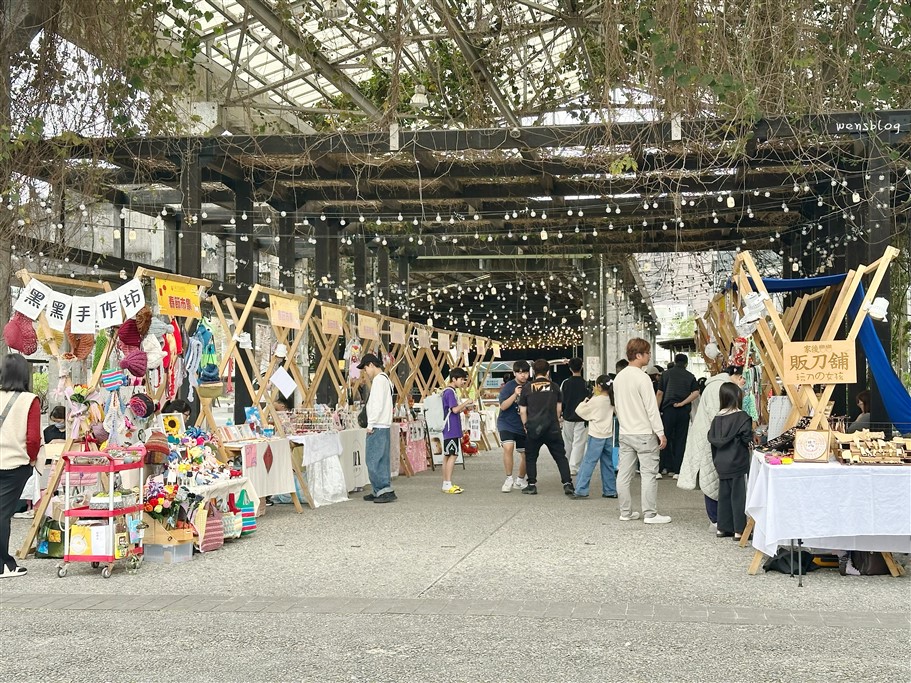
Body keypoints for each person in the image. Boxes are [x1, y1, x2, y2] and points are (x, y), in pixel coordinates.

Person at [678, 366, 744, 529]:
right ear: (733, 375)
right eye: (742, 377)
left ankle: (718, 519)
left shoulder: (718, 385)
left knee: (712, 476)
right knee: (711, 477)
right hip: (714, 437)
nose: (743, 381)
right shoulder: (719, 387)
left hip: (713, 435)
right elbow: (720, 416)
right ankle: (715, 520)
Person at [613, 339, 670, 524]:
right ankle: (650, 514)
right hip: (644, 433)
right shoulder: (642, 377)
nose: (649, 356)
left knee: (624, 474)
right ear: (638, 355)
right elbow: (651, 408)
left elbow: (617, 407)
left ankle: (625, 512)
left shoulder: (619, 377)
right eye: (647, 353)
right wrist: (660, 432)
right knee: (648, 474)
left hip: (625, 432)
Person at [0, 354, 41, 577]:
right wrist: (32, 458)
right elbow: (33, 438)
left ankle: (7, 562)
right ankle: (3, 565)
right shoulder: (29, 401)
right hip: (14, 465)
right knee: (3, 515)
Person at [518, 359, 573, 496]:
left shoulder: (527, 388)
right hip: (552, 427)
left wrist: (526, 425)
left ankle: (531, 485)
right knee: (560, 456)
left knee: (531, 457)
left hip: (534, 427)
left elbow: (523, 410)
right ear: (548, 371)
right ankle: (567, 484)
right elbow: (558, 408)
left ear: (534, 372)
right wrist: (555, 420)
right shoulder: (554, 387)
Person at [707, 382, 753, 540]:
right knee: (738, 496)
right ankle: (739, 530)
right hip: (738, 461)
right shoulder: (742, 417)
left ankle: (722, 528)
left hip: (721, 461)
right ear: (738, 396)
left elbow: (712, 439)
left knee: (724, 494)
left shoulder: (717, 418)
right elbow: (747, 438)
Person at [570, 375, 617, 499]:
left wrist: (587, 400)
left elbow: (579, 411)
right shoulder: (612, 399)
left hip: (596, 435)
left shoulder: (595, 400)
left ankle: (581, 490)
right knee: (607, 463)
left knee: (589, 462)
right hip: (608, 435)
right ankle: (610, 490)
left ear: (599, 386)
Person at [358, 354, 396, 503]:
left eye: (366, 367)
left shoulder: (379, 380)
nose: (365, 371)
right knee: (382, 459)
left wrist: (370, 424)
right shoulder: (386, 379)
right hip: (384, 425)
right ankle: (380, 490)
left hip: (378, 425)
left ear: (371, 365)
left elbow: (377, 405)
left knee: (373, 459)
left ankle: (383, 489)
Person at [655, 353, 700, 478]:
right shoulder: (690, 376)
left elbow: (659, 394)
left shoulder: (666, 374)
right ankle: (677, 471)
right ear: (686, 364)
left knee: (664, 439)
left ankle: (660, 468)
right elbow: (696, 393)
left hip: (668, 410)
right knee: (680, 440)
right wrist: (682, 403)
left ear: (675, 362)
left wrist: (655, 411)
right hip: (683, 411)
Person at [497, 360, 530, 492]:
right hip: (506, 423)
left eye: (525, 372)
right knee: (508, 447)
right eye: (520, 373)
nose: (523, 376)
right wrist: (515, 394)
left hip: (523, 425)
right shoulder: (508, 387)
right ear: (514, 373)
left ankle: (520, 480)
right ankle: (508, 478)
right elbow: (503, 406)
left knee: (526, 454)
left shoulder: (531, 386)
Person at [441, 368, 473, 494]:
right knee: (452, 455)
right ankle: (447, 484)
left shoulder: (447, 391)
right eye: (461, 379)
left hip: (448, 428)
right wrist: (466, 403)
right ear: (454, 379)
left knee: (447, 455)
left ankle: (446, 482)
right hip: (451, 428)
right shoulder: (450, 392)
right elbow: (454, 409)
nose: (463, 382)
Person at [561, 357, 590, 476]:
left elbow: (561, 400)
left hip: (568, 416)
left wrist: (561, 413)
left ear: (569, 368)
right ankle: (574, 466)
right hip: (582, 418)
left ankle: (566, 464)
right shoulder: (586, 384)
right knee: (579, 442)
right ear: (582, 367)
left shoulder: (565, 383)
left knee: (567, 441)